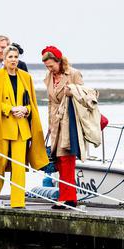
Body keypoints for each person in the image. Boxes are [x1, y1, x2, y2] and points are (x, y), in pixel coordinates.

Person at [0, 46, 49, 208]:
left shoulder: (26, 77)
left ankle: (18, 203)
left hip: (21, 129)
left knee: (18, 167)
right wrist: (10, 109)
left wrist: (25, 109)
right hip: (1, 129)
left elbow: (31, 104)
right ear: (4, 58)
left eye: (16, 56)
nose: (13, 60)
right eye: (10, 56)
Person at [42, 45, 85, 209]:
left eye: (52, 66)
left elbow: (85, 97)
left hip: (71, 123)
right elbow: (51, 103)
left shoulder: (73, 74)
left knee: (67, 159)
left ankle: (67, 198)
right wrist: (49, 124)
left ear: (59, 61)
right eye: (47, 67)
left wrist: (72, 91)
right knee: (59, 161)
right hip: (56, 123)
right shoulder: (49, 77)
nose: (50, 69)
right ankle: (68, 197)